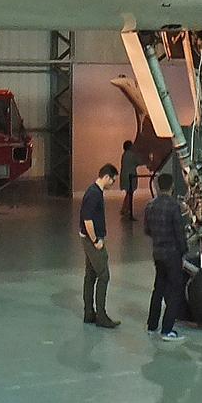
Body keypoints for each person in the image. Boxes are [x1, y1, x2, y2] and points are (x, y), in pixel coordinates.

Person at [143, 171, 187, 341]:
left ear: (158, 186)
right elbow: (179, 232)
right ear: (172, 187)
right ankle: (167, 329)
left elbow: (147, 230)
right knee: (175, 291)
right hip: (172, 254)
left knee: (158, 289)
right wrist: (183, 251)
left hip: (157, 254)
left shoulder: (150, 206)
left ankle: (152, 325)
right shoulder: (174, 206)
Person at [80, 163, 120, 327]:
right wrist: (96, 240)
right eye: (113, 180)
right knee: (103, 275)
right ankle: (101, 316)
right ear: (106, 177)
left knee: (90, 275)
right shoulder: (94, 194)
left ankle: (89, 313)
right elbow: (87, 220)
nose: (113, 183)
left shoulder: (93, 192)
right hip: (92, 241)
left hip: (88, 239)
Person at [119, 140, 141, 220]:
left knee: (128, 193)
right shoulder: (132, 155)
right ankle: (127, 210)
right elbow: (139, 162)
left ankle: (125, 209)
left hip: (125, 176)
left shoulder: (124, 155)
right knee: (129, 193)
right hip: (130, 177)